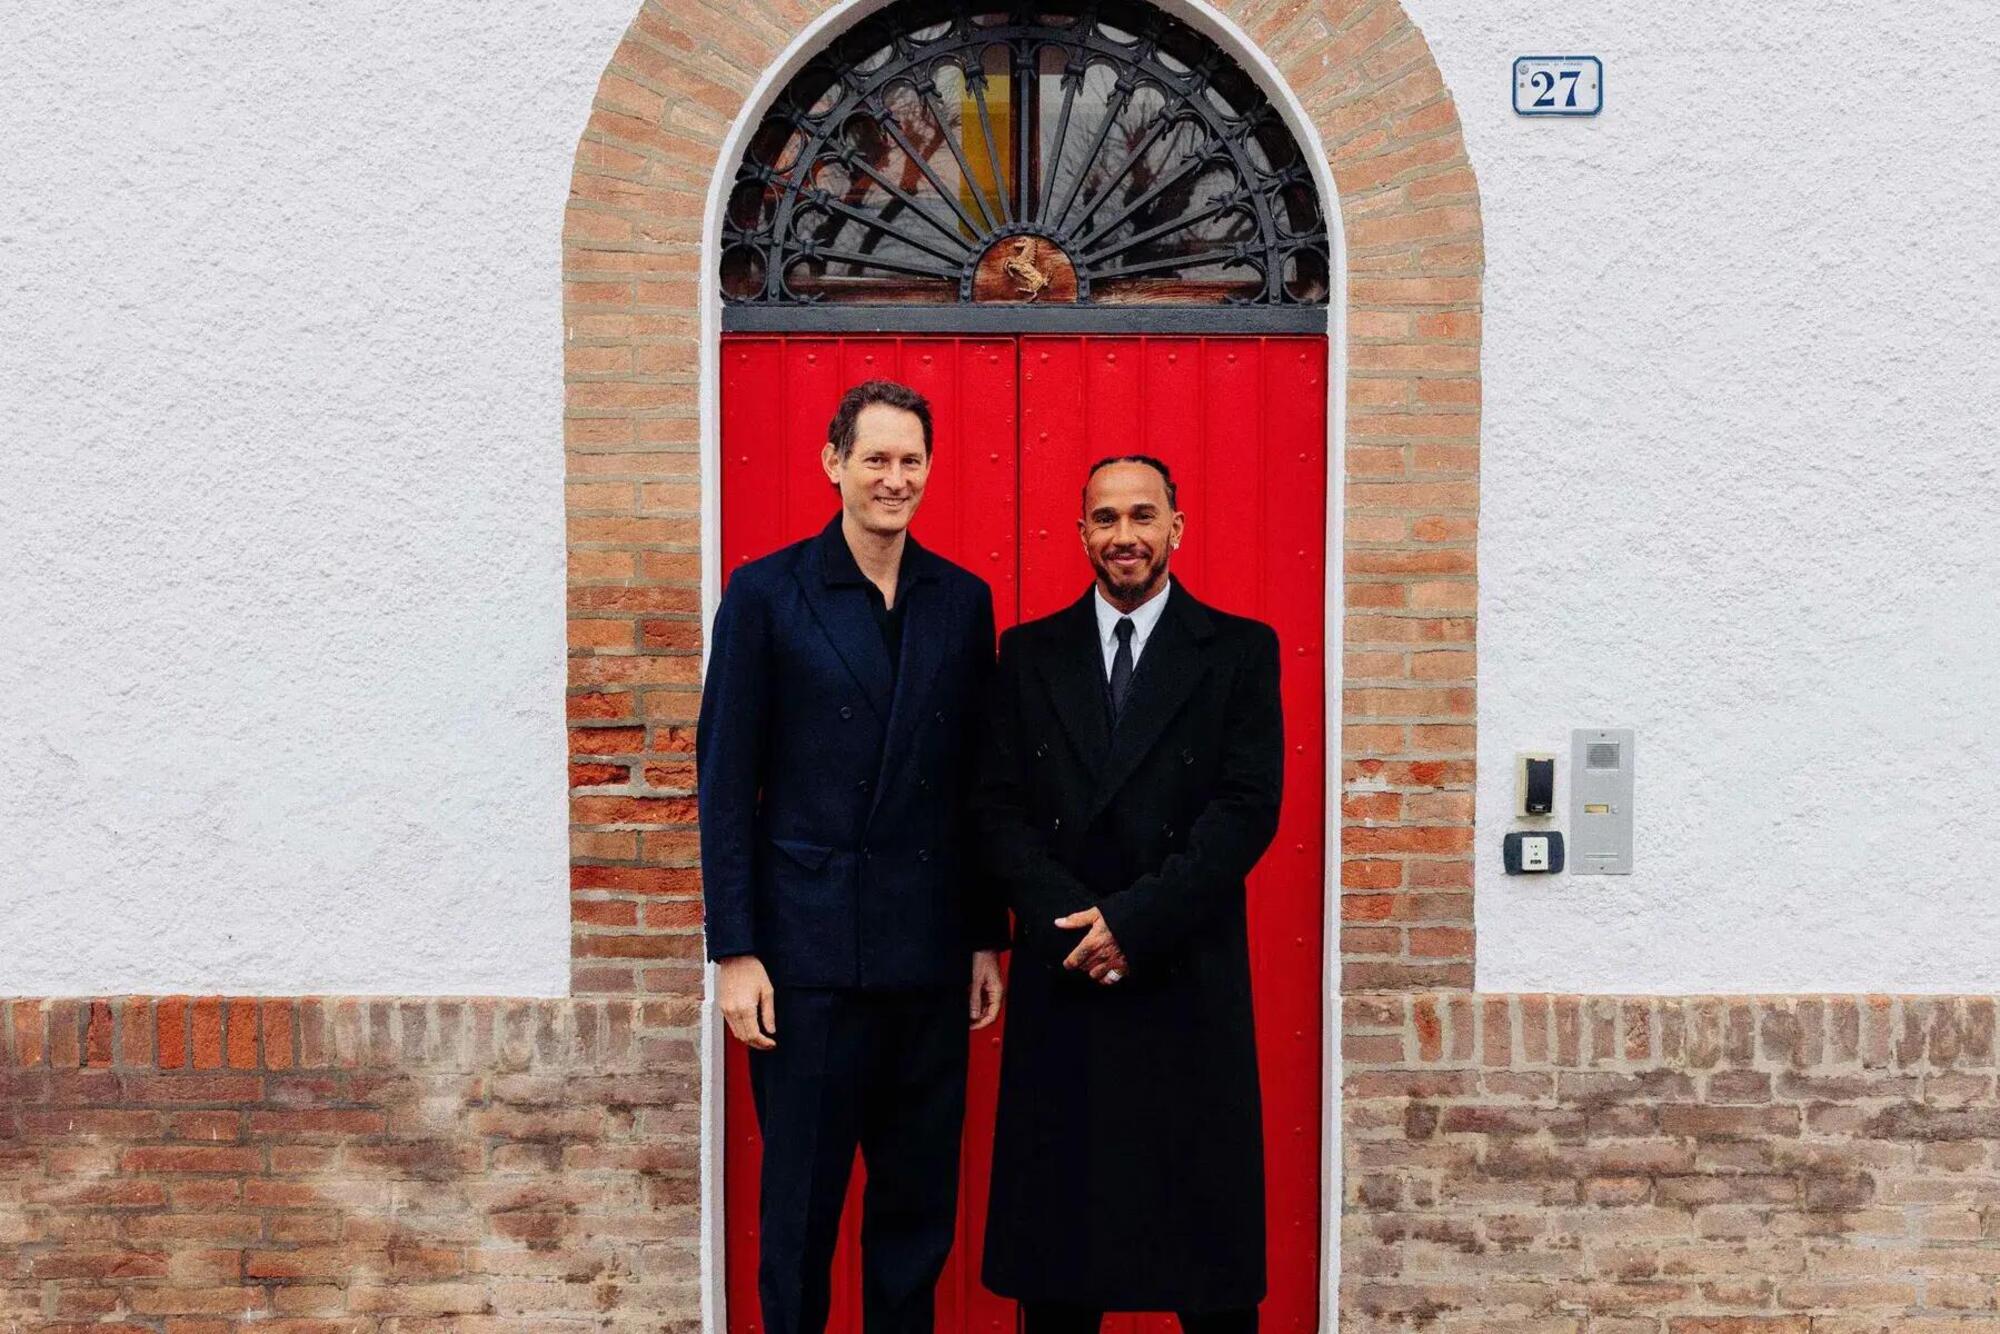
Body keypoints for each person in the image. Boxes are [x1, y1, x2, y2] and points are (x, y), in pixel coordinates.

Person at [696, 378, 1008, 1334]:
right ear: (832, 463)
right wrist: (735, 950)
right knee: (797, 1213)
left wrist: (983, 939)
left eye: (911, 460)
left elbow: (975, 788)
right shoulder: (766, 593)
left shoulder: (961, 601)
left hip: (922, 958)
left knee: (916, 1215)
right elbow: (724, 779)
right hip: (805, 960)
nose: (894, 478)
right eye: (875, 458)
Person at [974, 454, 1284, 1334]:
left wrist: (1134, 921)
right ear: (1081, 534)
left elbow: (1246, 810)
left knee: (1207, 1269)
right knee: (1064, 1273)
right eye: (1105, 519)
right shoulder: (1028, 656)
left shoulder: (1238, 651)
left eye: (1142, 516)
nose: (1124, 537)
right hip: (1068, 981)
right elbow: (996, 808)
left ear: (1177, 527)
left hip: (1183, 979)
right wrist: (1074, 923)